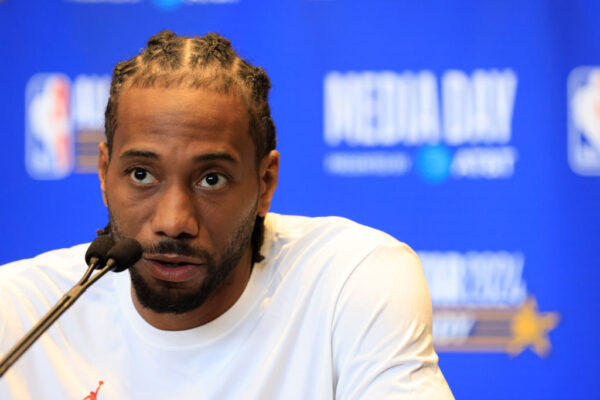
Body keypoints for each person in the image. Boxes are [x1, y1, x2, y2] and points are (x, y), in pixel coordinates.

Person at [0, 31, 454, 399]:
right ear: (104, 172)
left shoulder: (348, 283)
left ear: (265, 183)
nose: (174, 221)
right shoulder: (20, 315)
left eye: (211, 179)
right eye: (142, 174)